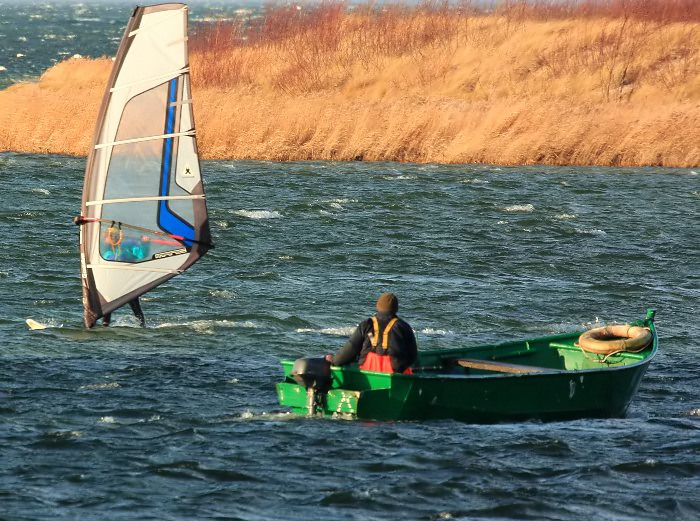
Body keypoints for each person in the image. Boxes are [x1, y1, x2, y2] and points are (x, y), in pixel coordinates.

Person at [325, 292, 417, 374]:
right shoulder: (403, 326)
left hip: (368, 371)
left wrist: (333, 360)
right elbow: (413, 356)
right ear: (395, 308)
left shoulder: (366, 325)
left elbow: (350, 349)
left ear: (378, 306)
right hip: (395, 375)